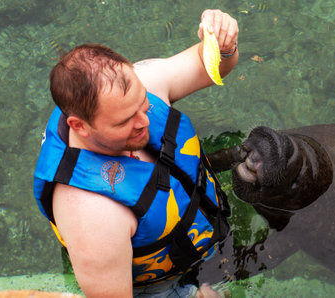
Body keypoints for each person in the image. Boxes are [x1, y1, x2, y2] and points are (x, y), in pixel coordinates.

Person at [33, 9, 238, 297]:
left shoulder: (136, 83)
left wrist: (224, 44)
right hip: (158, 285)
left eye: (142, 103)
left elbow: (210, 65)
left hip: (202, 228)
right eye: (123, 122)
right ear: (79, 126)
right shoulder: (92, 216)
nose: (144, 122)